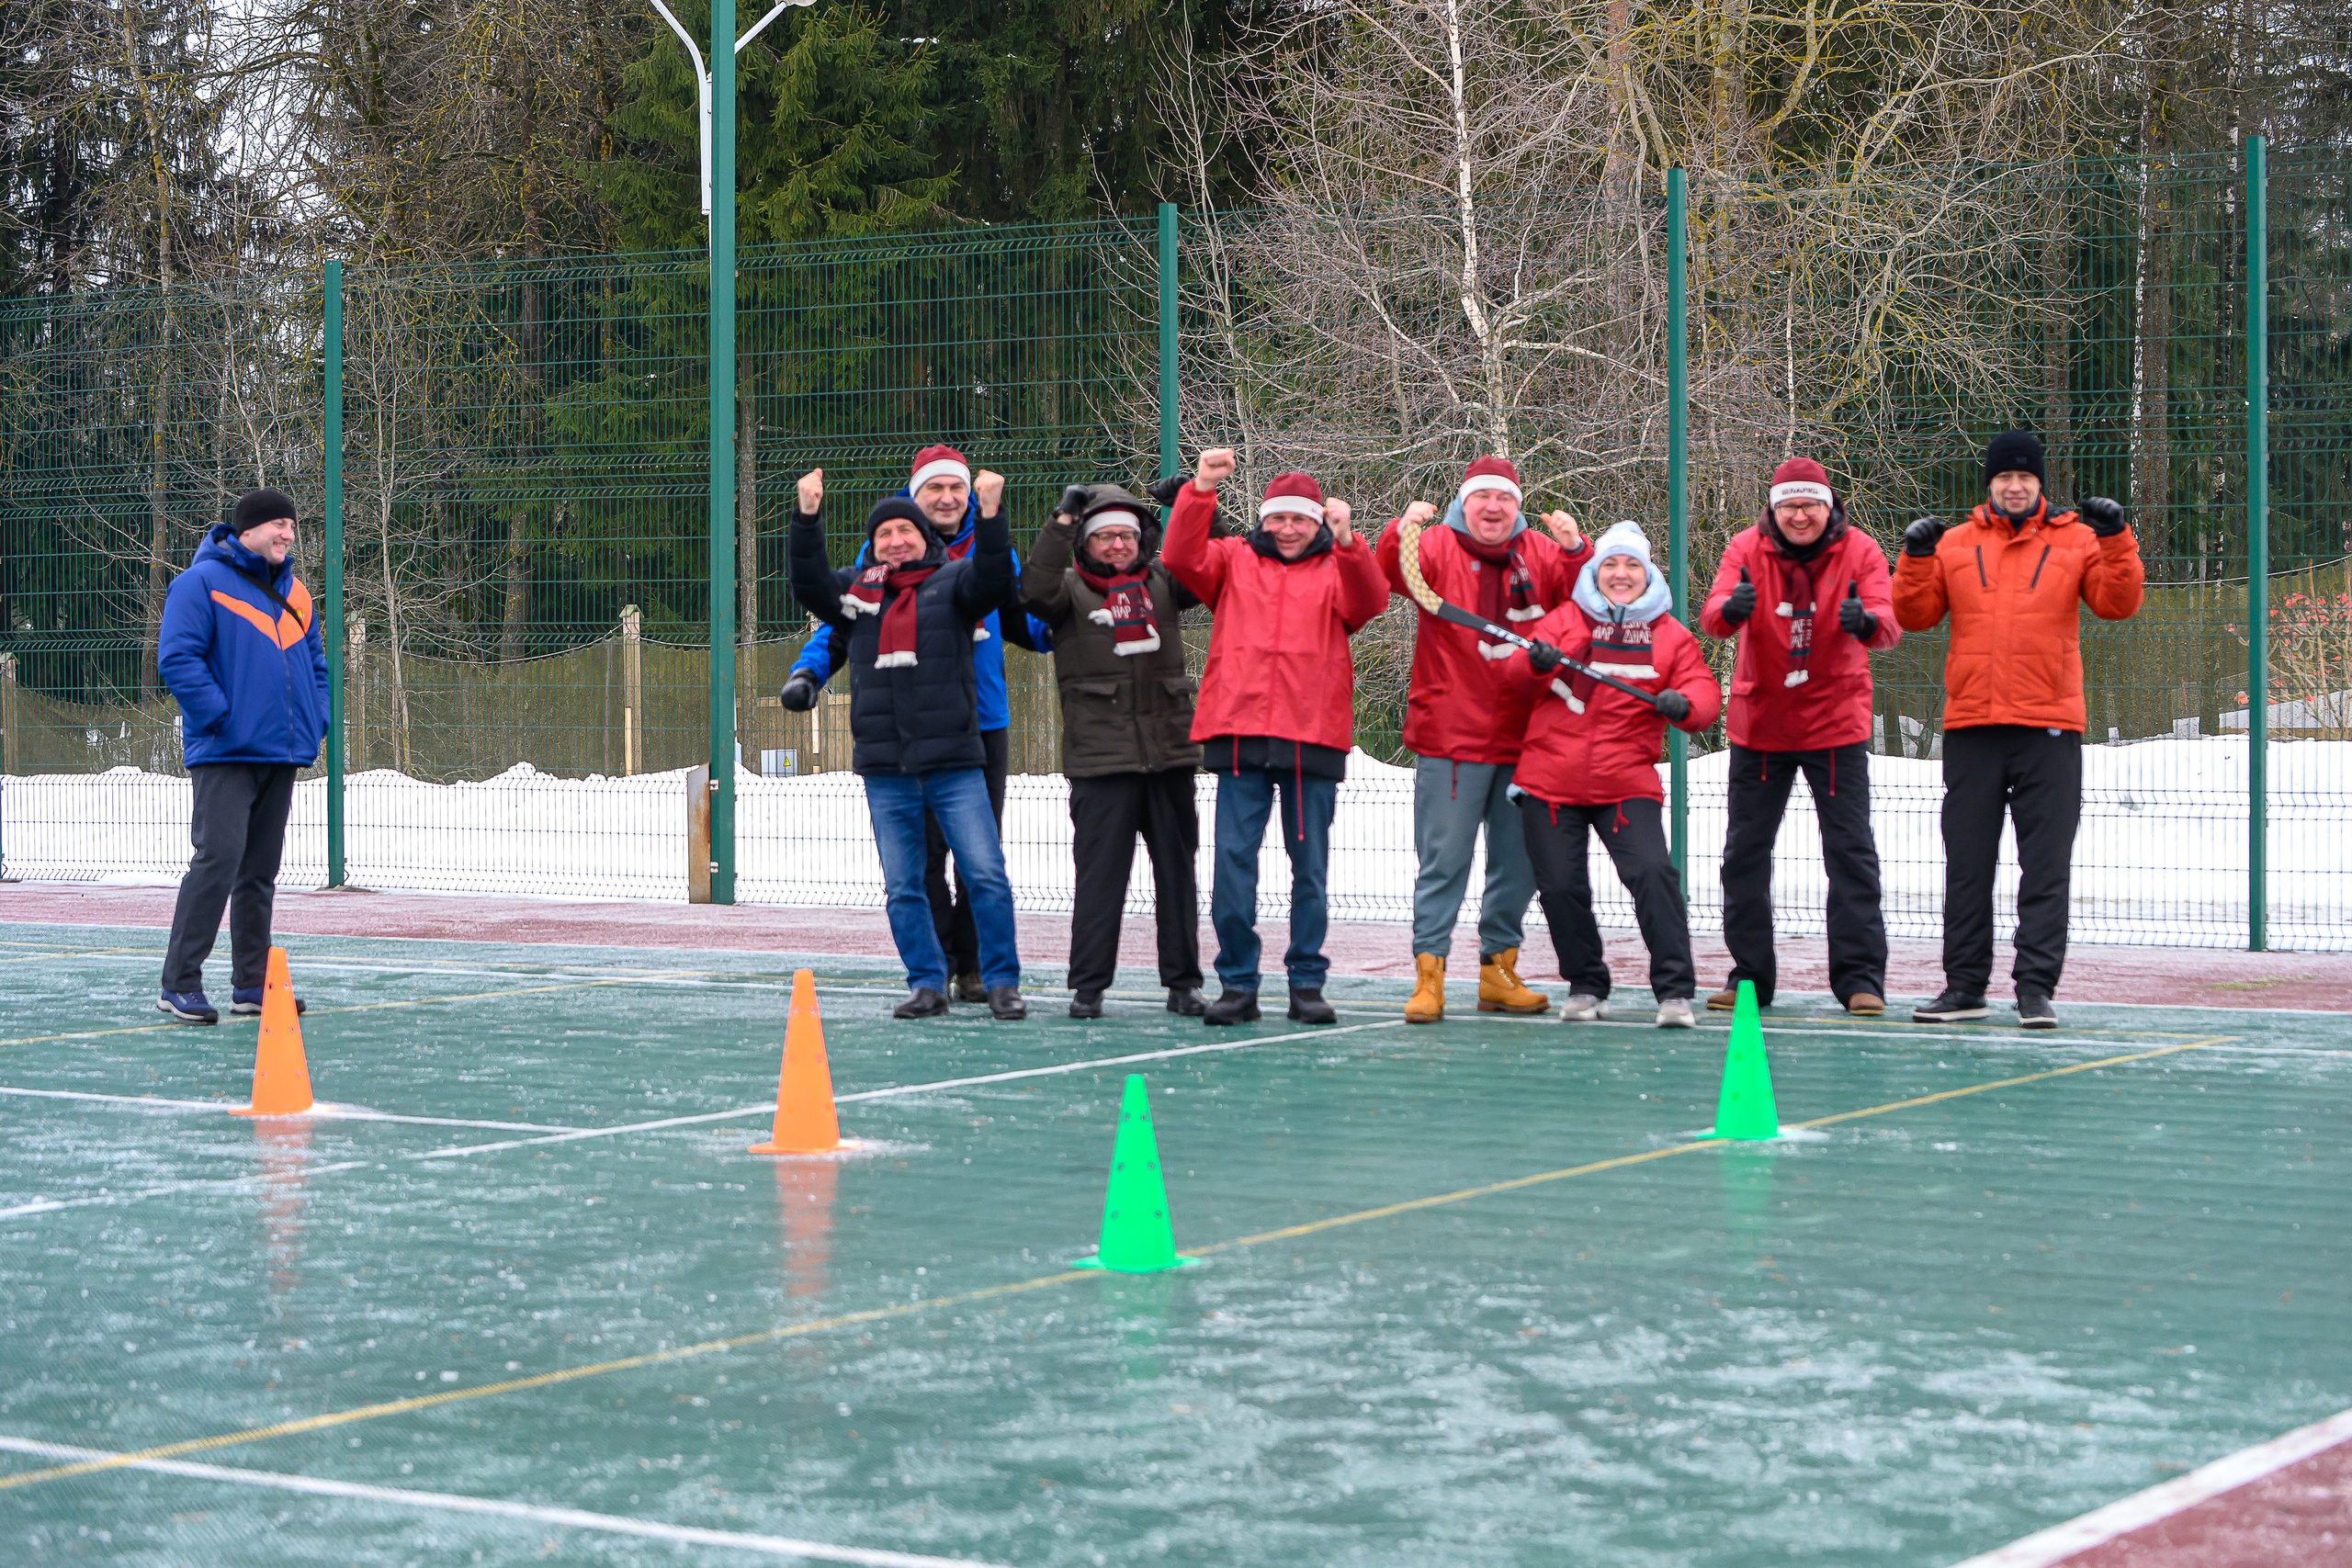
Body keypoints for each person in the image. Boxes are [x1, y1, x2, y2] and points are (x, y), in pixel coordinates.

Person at [1893, 430, 2143, 1030]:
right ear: (1990, 483)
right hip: (1973, 725)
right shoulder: (1955, 543)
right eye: (2004, 478)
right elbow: (1914, 614)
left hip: (2049, 726)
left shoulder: (2077, 540)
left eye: (2024, 478)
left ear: (2039, 483)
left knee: (2046, 864)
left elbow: (2119, 602)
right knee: (1968, 864)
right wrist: (1914, 557)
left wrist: (2117, 540)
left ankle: (2035, 988)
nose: (2013, 486)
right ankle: (1964, 987)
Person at [779, 445, 1047, 1002]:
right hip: (893, 739)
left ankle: (979, 970)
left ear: (968, 494)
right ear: (916, 497)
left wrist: (1068, 631)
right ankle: (938, 969)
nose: (947, 498)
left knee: (981, 861)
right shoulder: (884, 556)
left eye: (956, 487)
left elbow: (1016, 606)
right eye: (934, 490)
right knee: (917, 868)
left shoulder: (980, 559)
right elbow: (841, 618)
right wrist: (809, 670)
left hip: (975, 724)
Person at [1161, 447, 1388, 1026]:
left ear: (1316, 522)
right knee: (1233, 866)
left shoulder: (1337, 566)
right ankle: (1237, 984)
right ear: (1263, 519)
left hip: (1312, 742)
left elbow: (1370, 601)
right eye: (1278, 518)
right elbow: (1181, 556)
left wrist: (1350, 541)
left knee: (1309, 869)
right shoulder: (1232, 559)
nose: (1288, 529)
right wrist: (1201, 490)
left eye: (1301, 519)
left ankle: (1306, 982)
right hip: (1239, 738)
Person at [1375, 457, 1590, 1023]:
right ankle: (1431, 974)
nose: (1493, 508)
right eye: (1482, 498)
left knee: (1518, 864)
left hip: (1527, 738)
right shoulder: (1438, 545)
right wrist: (1402, 529)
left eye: (1504, 499)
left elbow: (1588, 602)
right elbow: (1393, 574)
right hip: (1451, 735)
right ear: (1463, 503)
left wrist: (1575, 549)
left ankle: (1498, 969)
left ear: (1517, 507)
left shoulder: (1541, 553)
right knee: (1444, 858)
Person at [1698, 456, 1901, 1017]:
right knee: (1744, 853)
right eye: (1789, 505)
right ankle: (1750, 977)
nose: (1800, 515)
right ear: (1773, 507)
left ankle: (1861, 979)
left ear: (1828, 505)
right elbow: (1712, 616)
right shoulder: (1746, 549)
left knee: (1850, 852)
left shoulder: (1859, 550)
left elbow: (1888, 622)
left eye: (1810, 504)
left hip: (1834, 724)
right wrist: (1730, 609)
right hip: (1760, 723)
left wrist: (1866, 623)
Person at [1502, 521, 1721, 1028]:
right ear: (1595, 573)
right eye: (1610, 564)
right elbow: (1514, 678)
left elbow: (1705, 698)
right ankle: (1586, 984)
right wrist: (1534, 662)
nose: (1620, 574)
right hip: (1549, 782)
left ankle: (1673, 991)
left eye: (1631, 566)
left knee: (1653, 874)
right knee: (1559, 886)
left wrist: (1683, 703)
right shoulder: (1564, 621)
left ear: (1648, 575)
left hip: (1625, 783)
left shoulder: (1670, 636)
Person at [1023, 482, 1207, 1020]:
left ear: (1142, 539)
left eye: (1127, 535)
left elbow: (1212, 562)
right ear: (1085, 542)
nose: (1118, 545)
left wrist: (1199, 500)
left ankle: (1183, 983)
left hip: (1170, 757)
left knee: (1178, 877)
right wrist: (1060, 519)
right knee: (1100, 879)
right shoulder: (1067, 592)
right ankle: (1088, 987)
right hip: (1101, 764)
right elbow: (1030, 588)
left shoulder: (1165, 585)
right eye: (1104, 536)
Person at [153, 489, 330, 1023]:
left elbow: (318, 667)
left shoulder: (298, 595)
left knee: (259, 872)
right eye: (279, 524)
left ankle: (251, 985)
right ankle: (179, 983)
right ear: (247, 530)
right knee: (218, 860)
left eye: (292, 526)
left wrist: (316, 720)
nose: (288, 534)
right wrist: (221, 717)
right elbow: (177, 658)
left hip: (281, 753)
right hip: (226, 752)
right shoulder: (199, 585)